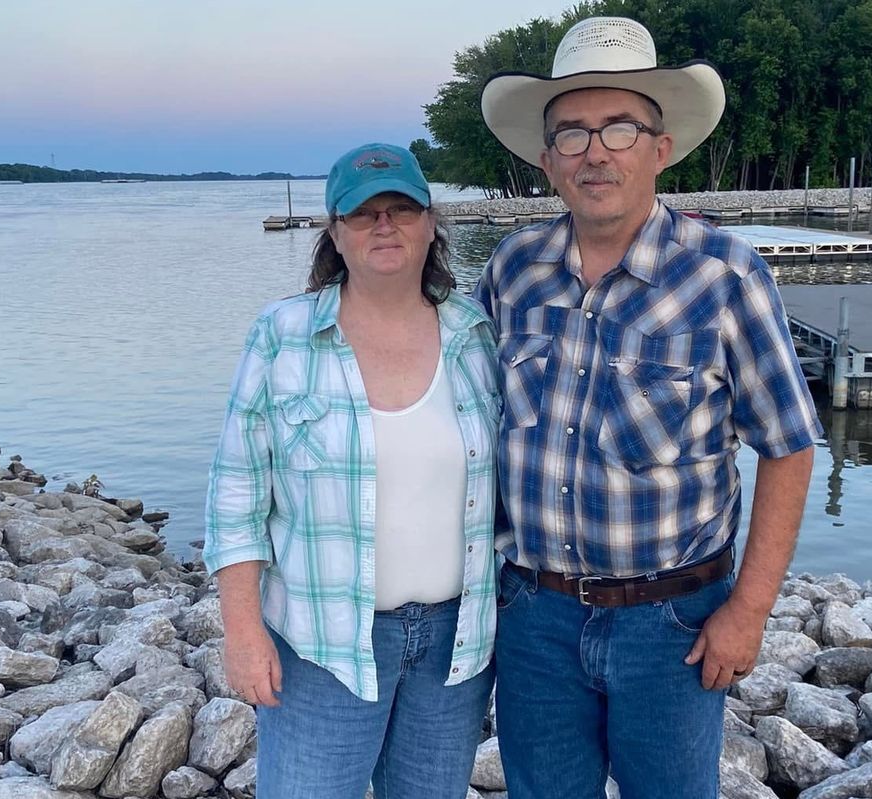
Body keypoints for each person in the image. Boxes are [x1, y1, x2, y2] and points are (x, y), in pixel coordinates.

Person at [474, 16, 822, 799]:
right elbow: (449, 399)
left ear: (659, 149)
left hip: (673, 623)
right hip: (533, 616)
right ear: (546, 159)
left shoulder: (726, 275)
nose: (596, 151)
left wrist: (750, 610)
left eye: (619, 128)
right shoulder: (513, 269)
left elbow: (790, 444)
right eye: (572, 134)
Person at [204, 142, 499, 799]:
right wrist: (245, 633)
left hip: (454, 648)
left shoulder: (475, 333)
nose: (384, 225)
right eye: (363, 214)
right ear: (335, 232)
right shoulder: (281, 336)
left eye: (400, 208)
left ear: (431, 222)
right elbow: (236, 496)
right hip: (321, 644)